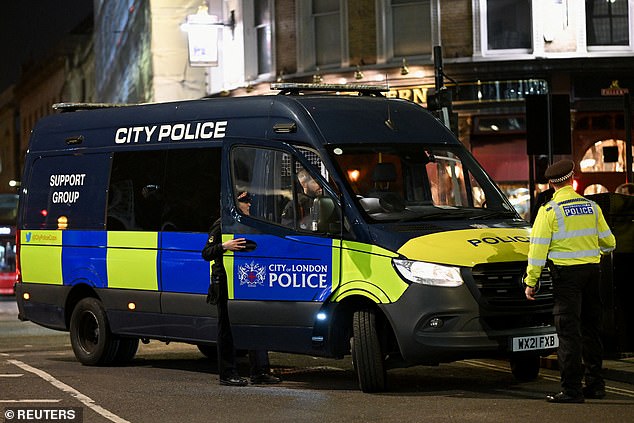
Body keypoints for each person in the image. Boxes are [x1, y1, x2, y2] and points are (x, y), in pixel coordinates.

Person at [523, 159, 616, 403]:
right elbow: (610, 243)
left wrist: (531, 281)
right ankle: (596, 385)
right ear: (572, 178)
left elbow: (537, 250)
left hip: (566, 278)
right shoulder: (592, 207)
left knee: (568, 332)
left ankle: (572, 390)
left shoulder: (550, 211)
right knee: (591, 330)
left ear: (551, 183)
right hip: (592, 273)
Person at [201, 191, 281, 386]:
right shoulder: (222, 224)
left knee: (255, 324)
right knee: (226, 330)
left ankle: (260, 371)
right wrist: (224, 245)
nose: (249, 205)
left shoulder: (248, 223)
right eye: (245, 202)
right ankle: (227, 374)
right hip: (225, 283)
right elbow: (206, 253)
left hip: (246, 282)